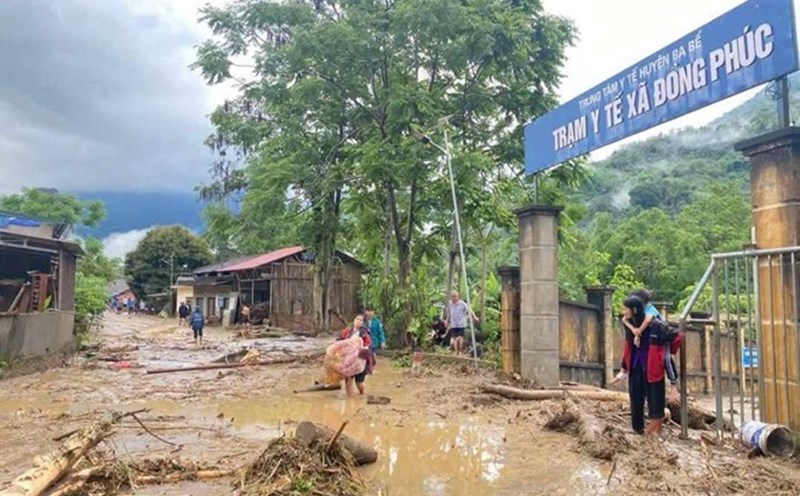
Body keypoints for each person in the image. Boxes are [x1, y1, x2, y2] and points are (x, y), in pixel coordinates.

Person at [620, 296, 666, 436]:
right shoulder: (629, 323)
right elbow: (628, 347)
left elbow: (666, 350)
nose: (623, 312)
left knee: (655, 397)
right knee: (635, 396)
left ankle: (655, 430)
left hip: (652, 366)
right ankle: (637, 428)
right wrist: (624, 368)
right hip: (636, 366)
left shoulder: (655, 324)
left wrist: (673, 380)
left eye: (625, 309)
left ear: (634, 309)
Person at [629, 289, 680, 403]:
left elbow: (647, 320)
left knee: (666, 359)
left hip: (663, 337)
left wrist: (638, 331)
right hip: (652, 340)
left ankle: (674, 385)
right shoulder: (639, 311)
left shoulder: (650, 309)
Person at [339, 314, 373, 396]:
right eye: (357, 319)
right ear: (354, 320)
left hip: (360, 362)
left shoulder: (365, 334)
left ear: (363, 323)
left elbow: (368, 346)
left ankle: (361, 394)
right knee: (348, 381)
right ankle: (349, 400)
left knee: (359, 383)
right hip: (348, 361)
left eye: (361, 320)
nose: (358, 321)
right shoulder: (346, 332)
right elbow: (340, 342)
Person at [444, 291, 478, 357]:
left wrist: (474, 317)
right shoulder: (450, 303)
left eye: (455, 296)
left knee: (460, 337)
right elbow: (449, 313)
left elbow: (469, 310)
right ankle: (456, 351)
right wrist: (447, 321)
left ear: (458, 297)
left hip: (461, 323)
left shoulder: (462, 303)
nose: (454, 298)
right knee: (454, 338)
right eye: (452, 296)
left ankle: (460, 351)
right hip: (453, 323)